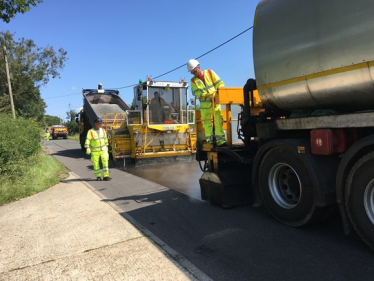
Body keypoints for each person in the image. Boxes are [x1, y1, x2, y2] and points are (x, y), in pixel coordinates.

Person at [187, 59, 227, 146]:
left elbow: (220, 84)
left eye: (194, 71)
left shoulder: (210, 73)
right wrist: (207, 94)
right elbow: (196, 92)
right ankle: (210, 142)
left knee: (218, 122)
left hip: (215, 103)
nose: (194, 73)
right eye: (192, 72)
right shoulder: (193, 81)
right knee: (206, 124)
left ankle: (221, 142)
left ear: (198, 67)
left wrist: (217, 94)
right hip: (204, 106)